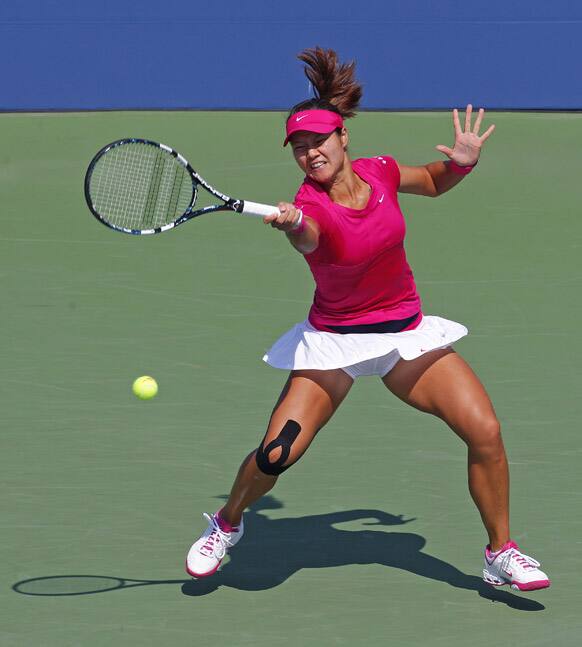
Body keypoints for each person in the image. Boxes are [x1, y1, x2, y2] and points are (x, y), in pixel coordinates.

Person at [186, 47, 550, 592]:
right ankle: (227, 522)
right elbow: (309, 236)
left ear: (343, 138)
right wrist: (293, 225)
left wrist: (462, 163)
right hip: (334, 345)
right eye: (299, 149)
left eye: (318, 142)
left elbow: (429, 179)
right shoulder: (310, 208)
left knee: (485, 431)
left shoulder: (379, 172)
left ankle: (501, 551)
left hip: (405, 337)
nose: (310, 155)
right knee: (277, 452)